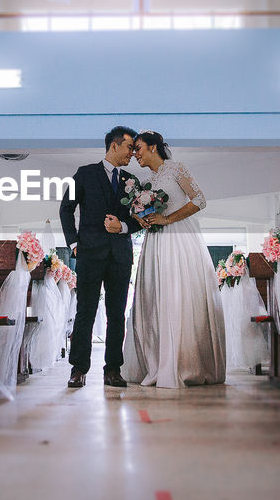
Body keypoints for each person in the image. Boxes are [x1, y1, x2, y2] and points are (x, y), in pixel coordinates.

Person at [122, 131, 225, 387]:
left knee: (179, 295)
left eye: (138, 148)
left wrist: (168, 219)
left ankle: (185, 365)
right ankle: (157, 363)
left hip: (179, 237)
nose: (135, 154)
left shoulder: (177, 169)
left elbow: (199, 200)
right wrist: (140, 217)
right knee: (154, 298)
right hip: (155, 241)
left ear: (154, 147)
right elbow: (146, 210)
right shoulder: (149, 179)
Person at [59, 126, 137, 388]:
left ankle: (113, 370)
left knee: (117, 315)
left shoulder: (131, 181)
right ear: (114, 145)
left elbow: (139, 218)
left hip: (121, 256)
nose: (133, 153)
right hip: (89, 254)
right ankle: (78, 369)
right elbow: (66, 209)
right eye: (129, 147)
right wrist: (73, 244)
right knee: (85, 312)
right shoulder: (85, 174)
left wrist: (124, 227)